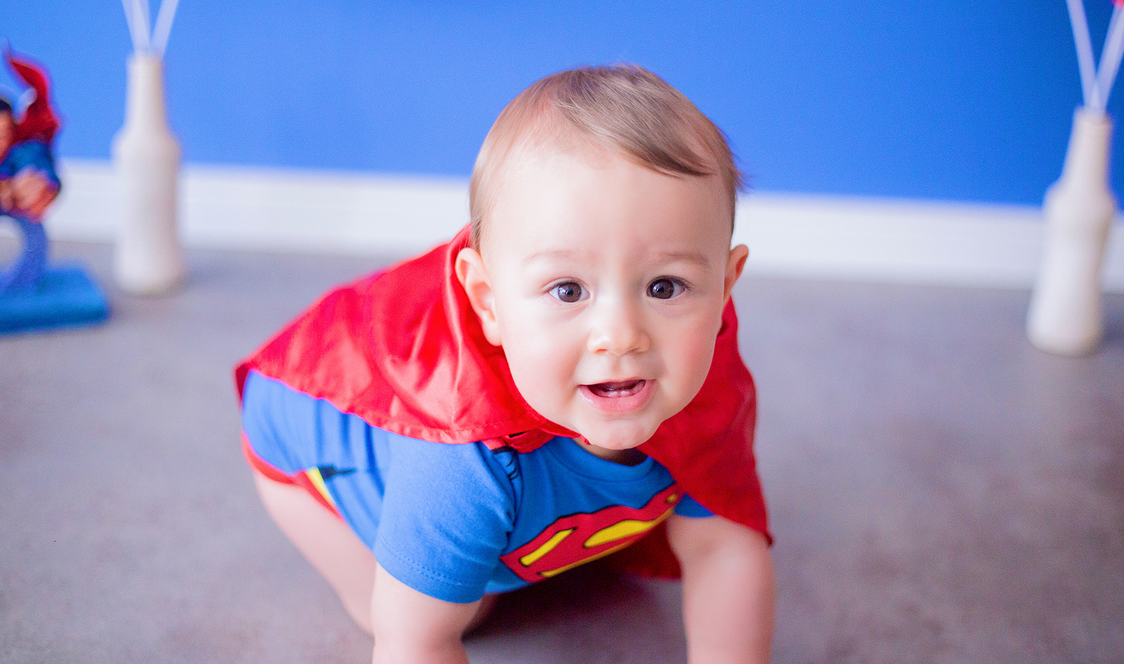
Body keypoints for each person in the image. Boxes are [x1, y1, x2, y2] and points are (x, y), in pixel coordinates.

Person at [237, 64, 774, 662]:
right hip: (310, 424)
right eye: (568, 290)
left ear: (725, 287)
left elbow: (726, 548)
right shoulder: (463, 455)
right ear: (488, 304)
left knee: (536, 546)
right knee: (451, 607)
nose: (621, 337)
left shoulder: (706, 375)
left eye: (666, 287)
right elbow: (413, 644)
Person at [0, 49, 61, 291]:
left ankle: (22, 282)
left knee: (33, 232)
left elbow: (36, 160)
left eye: (2, 135)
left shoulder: (19, 153)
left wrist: (37, 180)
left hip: (17, 206)